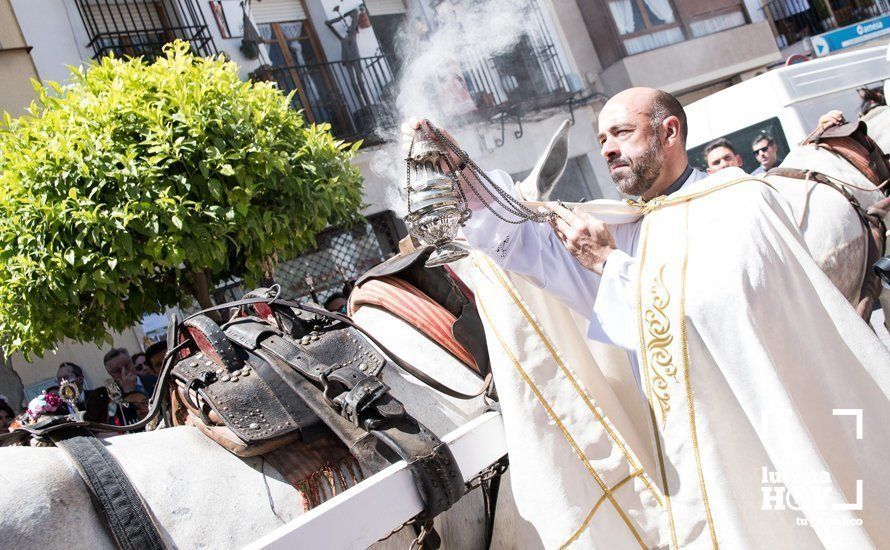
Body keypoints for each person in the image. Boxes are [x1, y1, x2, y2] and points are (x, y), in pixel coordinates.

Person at [404, 87, 889, 547]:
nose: (608, 149)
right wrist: (460, 171)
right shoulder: (626, 225)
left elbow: (714, 314)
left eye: (622, 133)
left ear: (669, 132)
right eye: (601, 141)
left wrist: (608, 266)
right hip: (691, 459)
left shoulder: (742, 202)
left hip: (771, 432)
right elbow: (528, 241)